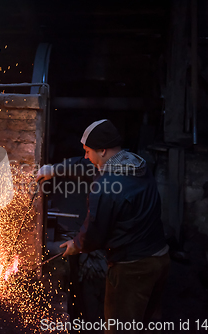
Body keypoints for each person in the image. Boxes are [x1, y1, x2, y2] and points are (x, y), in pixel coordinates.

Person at [37, 119, 170, 333]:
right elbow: (84, 165)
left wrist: (76, 244)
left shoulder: (105, 186)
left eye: (88, 151)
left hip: (132, 269)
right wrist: (54, 169)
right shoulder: (135, 164)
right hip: (160, 258)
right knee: (145, 321)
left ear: (103, 150)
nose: (86, 156)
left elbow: (94, 233)